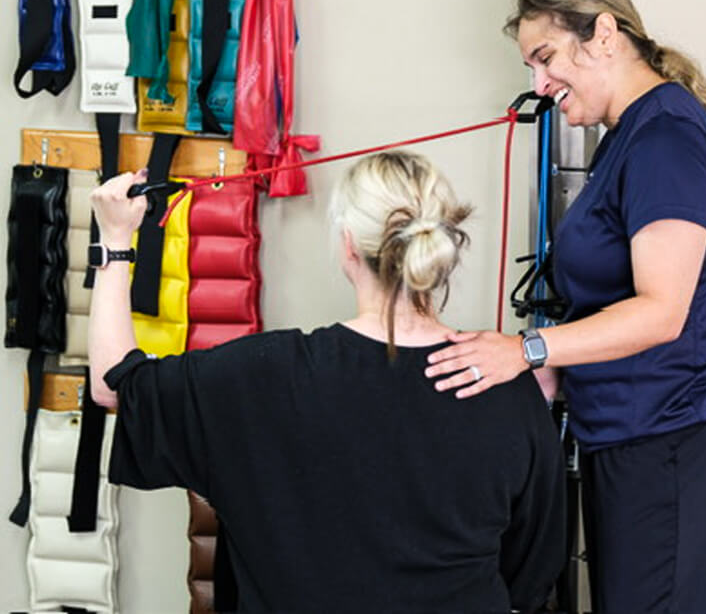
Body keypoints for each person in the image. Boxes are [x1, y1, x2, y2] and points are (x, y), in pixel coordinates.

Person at [87, 151, 566, 613]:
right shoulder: (507, 387)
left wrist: (114, 239)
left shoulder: (258, 375)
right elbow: (528, 579)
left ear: (350, 245)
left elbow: (114, 384)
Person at [425, 0, 706, 613]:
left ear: (604, 34)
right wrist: (555, 373)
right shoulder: (627, 137)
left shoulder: (665, 138)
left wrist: (526, 351)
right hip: (632, 431)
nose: (540, 85)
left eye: (545, 58)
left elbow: (662, 313)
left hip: (673, 436)